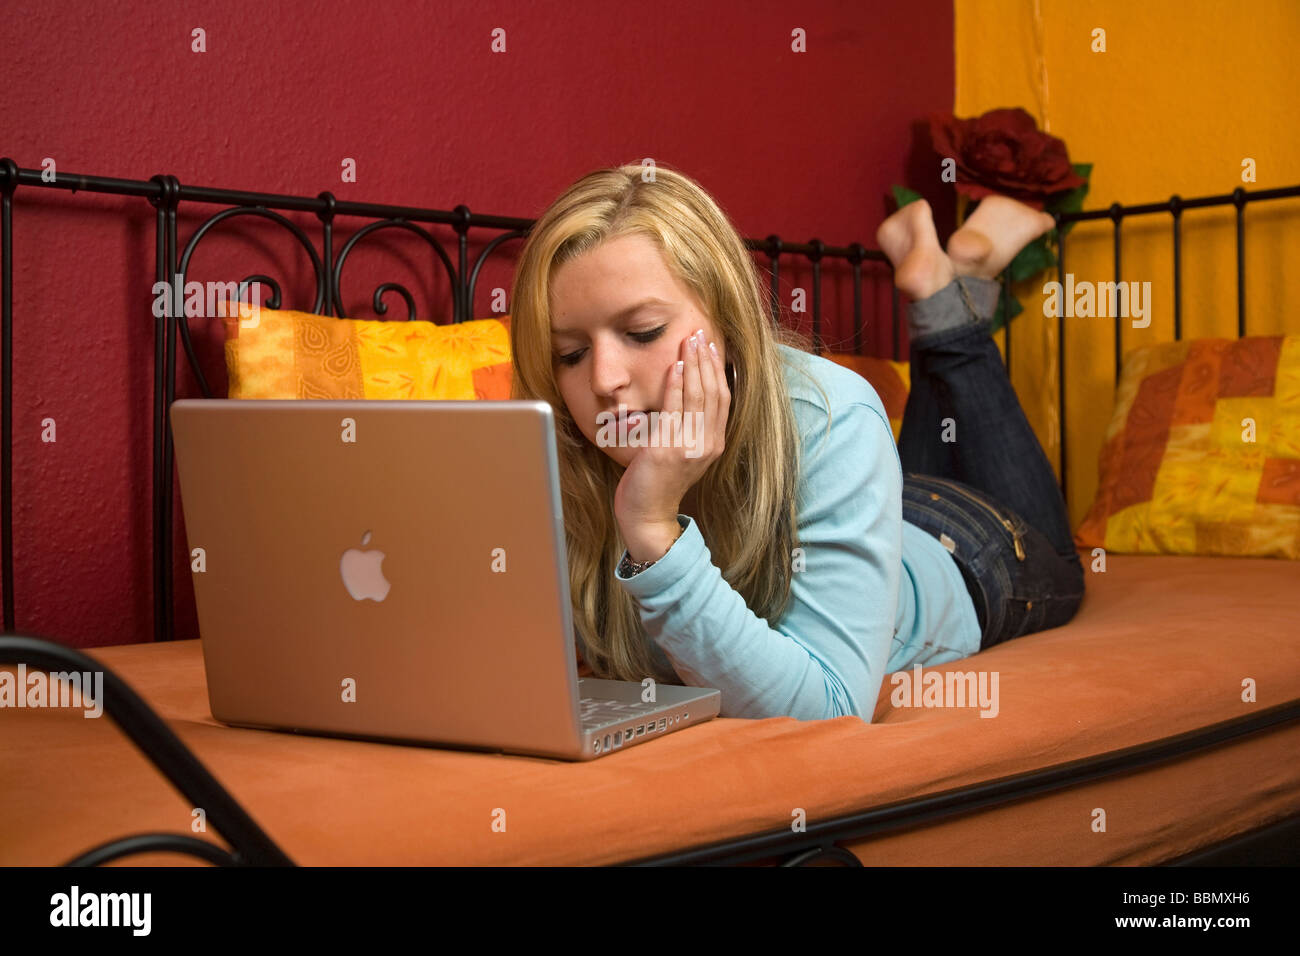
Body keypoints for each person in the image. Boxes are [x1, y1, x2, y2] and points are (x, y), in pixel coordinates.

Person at [508, 163, 1085, 721]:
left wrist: (653, 528)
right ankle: (952, 280)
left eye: (643, 333)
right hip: (870, 505)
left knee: (1064, 562)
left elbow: (829, 711)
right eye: (570, 354)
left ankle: (952, 287)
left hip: (974, 552)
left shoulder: (834, 415)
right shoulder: (553, 439)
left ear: (729, 322)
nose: (605, 379)